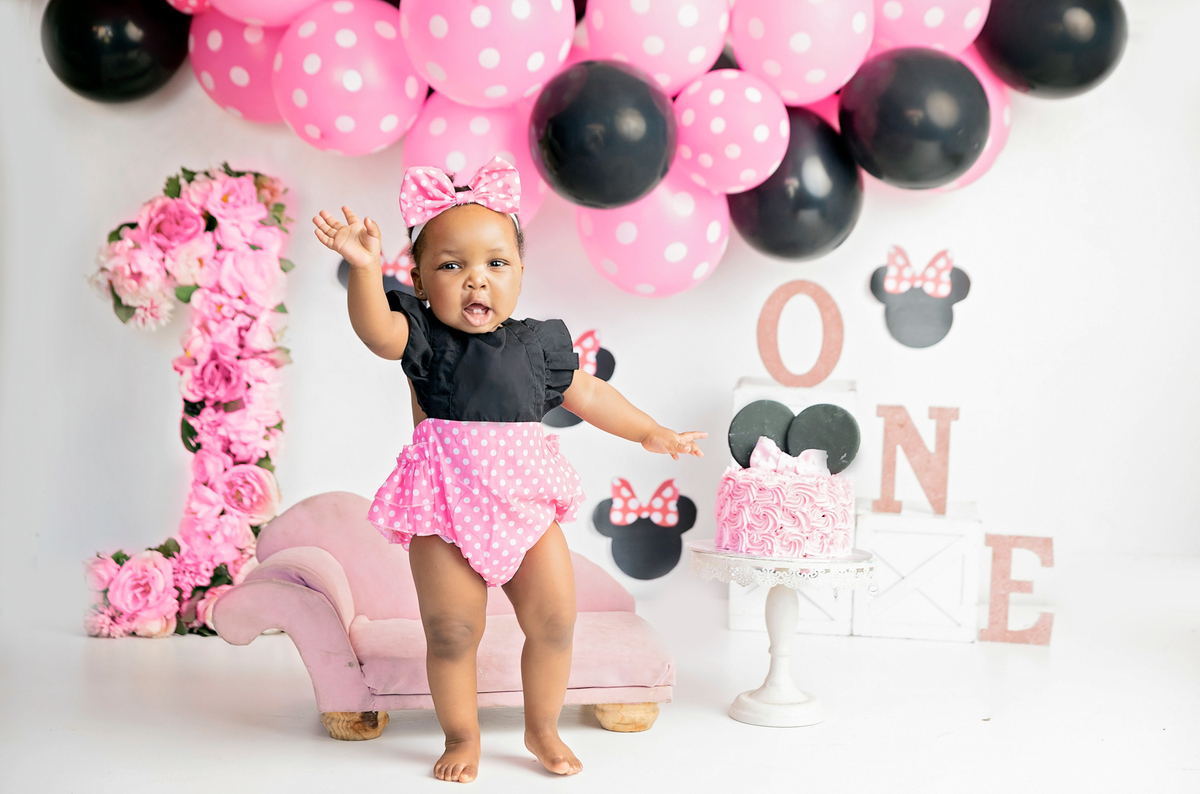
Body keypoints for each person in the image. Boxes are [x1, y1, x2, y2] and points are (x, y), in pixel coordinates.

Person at [312, 157, 705, 784]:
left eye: (496, 264)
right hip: (445, 509)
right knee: (451, 630)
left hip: (525, 508)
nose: (477, 279)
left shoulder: (536, 346)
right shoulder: (421, 335)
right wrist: (363, 268)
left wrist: (650, 431)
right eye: (452, 266)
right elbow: (377, 333)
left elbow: (590, 394)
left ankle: (541, 727)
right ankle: (462, 735)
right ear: (418, 280)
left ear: (520, 272)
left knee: (554, 620)